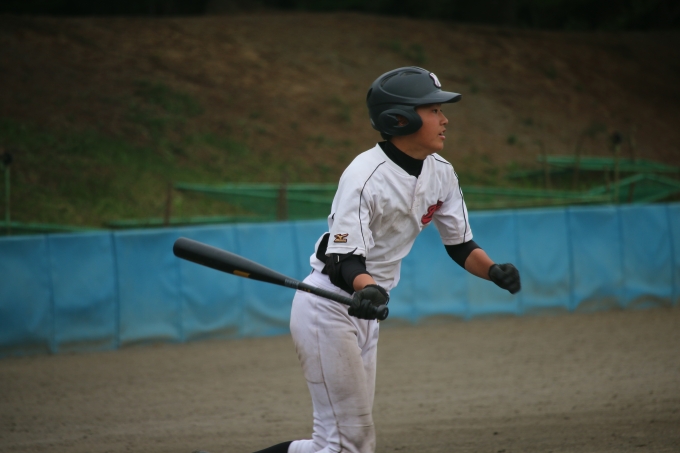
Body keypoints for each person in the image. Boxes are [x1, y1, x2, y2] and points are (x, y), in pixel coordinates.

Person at [252, 66, 521, 453]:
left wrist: (492, 270)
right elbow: (344, 260)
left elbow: (461, 244)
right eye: (434, 110)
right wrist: (369, 288)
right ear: (401, 118)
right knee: (352, 444)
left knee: (337, 445)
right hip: (328, 306)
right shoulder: (364, 175)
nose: (445, 119)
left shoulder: (442, 173)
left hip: (367, 308)